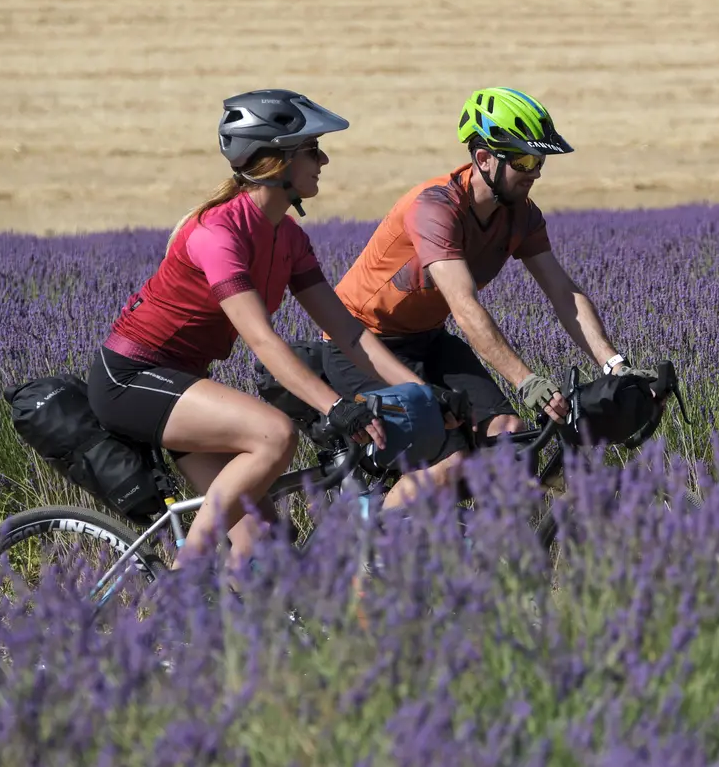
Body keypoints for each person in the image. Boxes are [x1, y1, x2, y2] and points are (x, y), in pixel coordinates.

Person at [87, 89, 439, 564]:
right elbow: (260, 338)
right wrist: (335, 406)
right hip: (130, 379)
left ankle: (201, 636)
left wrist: (422, 392)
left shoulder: (288, 237)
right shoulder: (218, 233)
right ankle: (183, 575)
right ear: (277, 161)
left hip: (183, 382)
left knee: (262, 547)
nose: (325, 159)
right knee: (274, 434)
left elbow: (348, 332)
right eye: (313, 150)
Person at [326, 86, 648, 500]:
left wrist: (615, 366)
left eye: (541, 161)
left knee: (509, 436)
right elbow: (464, 307)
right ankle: (376, 557)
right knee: (452, 462)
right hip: (360, 343)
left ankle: (462, 544)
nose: (535, 172)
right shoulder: (436, 208)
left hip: (427, 340)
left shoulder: (522, 215)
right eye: (526, 160)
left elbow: (563, 293)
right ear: (484, 159)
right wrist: (526, 380)